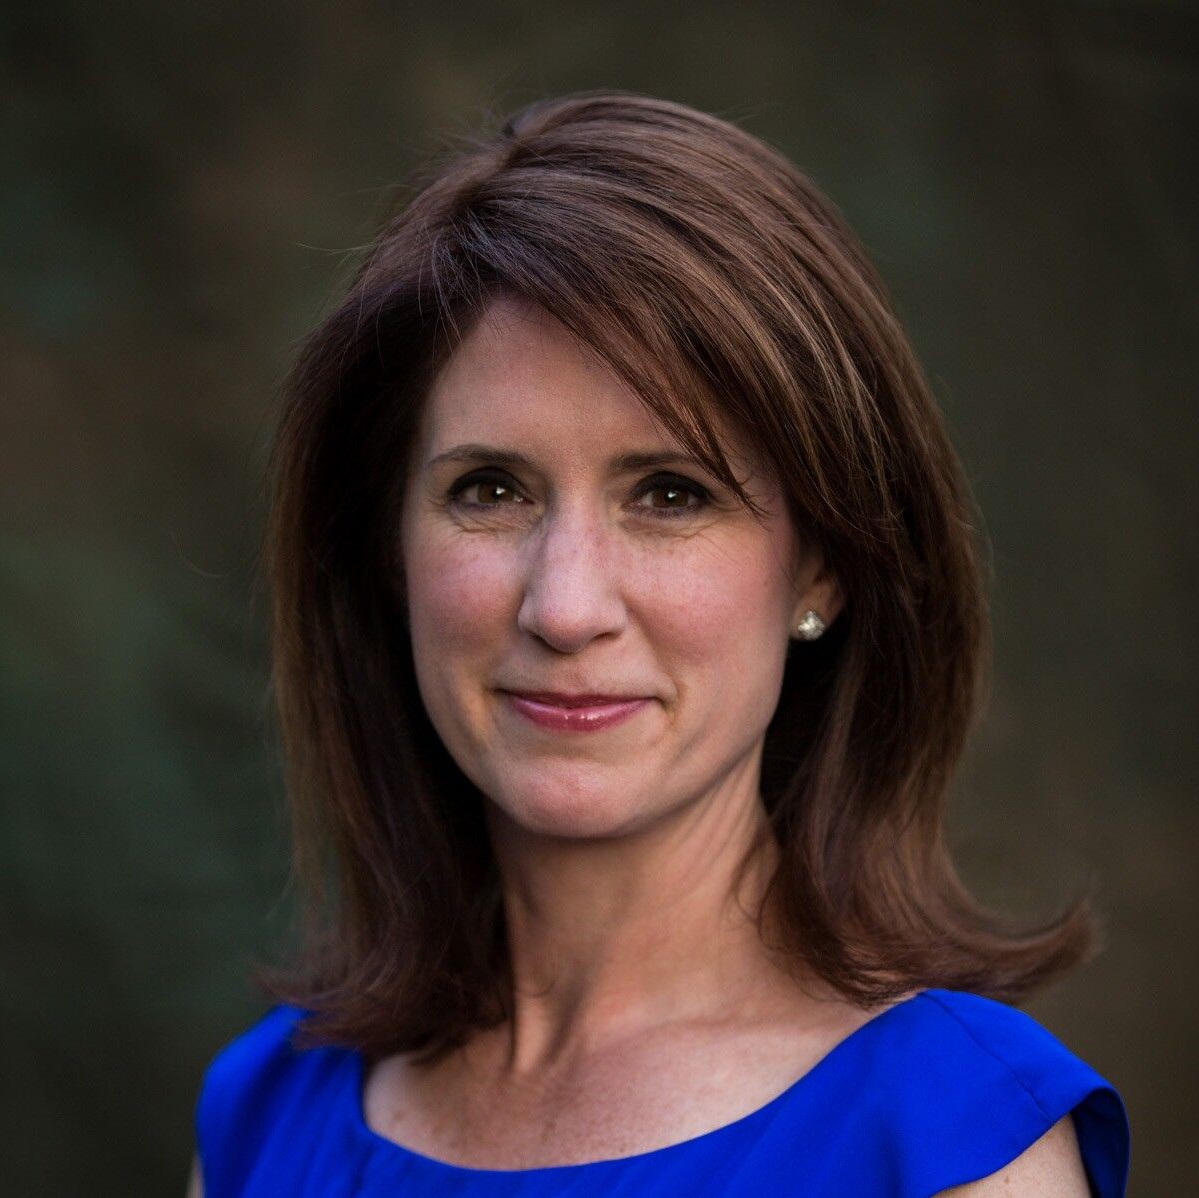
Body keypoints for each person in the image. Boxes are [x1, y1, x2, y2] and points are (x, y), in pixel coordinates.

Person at [188, 92, 1131, 1197]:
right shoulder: (264, 1113)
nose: (565, 604)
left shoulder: (948, 1140)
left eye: (670, 493)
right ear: (387, 550)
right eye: (489, 489)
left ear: (821, 565)